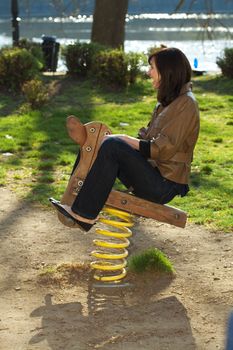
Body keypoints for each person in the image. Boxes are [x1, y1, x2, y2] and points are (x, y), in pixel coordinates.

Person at [51, 47, 200, 232]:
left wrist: (122, 139)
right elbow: (150, 142)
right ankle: (74, 200)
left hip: (163, 185)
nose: (148, 72)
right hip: (154, 175)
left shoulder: (186, 104)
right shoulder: (168, 103)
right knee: (98, 140)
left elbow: (162, 149)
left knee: (113, 144)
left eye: (152, 67)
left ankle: (84, 214)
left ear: (167, 71)